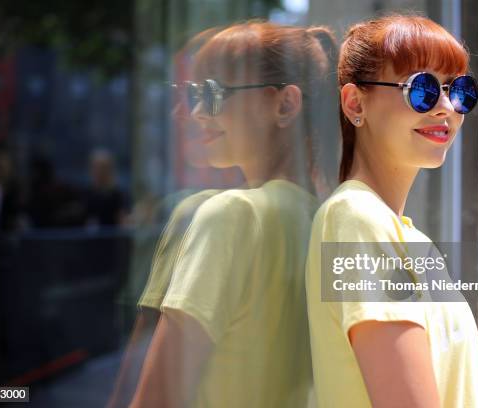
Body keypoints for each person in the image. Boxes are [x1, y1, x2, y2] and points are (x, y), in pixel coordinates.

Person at [129, 20, 338, 408]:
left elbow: (156, 399)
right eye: (190, 94)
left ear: (286, 104)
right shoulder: (326, 220)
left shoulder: (231, 215)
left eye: (211, 93)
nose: (194, 112)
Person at [305, 14, 478, 408]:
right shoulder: (357, 219)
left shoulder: (405, 235)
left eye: (460, 91)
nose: (445, 108)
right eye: (421, 89)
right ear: (355, 103)